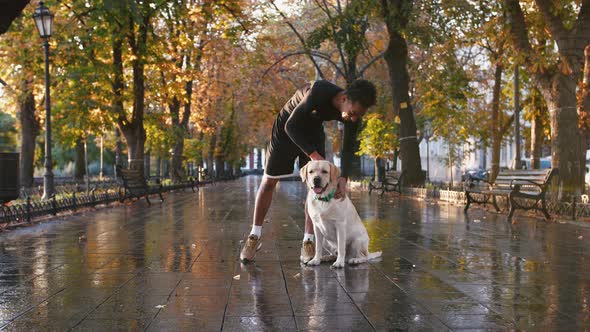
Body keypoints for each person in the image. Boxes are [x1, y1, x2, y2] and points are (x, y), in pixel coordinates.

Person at [240, 79, 377, 263]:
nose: (353, 119)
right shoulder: (319, 90)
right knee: (269, 181)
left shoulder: (353, 116)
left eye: (357, 116)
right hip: (287, 129)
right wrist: (315, 156)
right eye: (352, 113)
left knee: (316, 186)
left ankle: (308, 240)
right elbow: (291, 126)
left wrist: (343, 178)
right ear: (344, 98)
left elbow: (348, 149)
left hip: (313, 131)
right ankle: (254, 236)